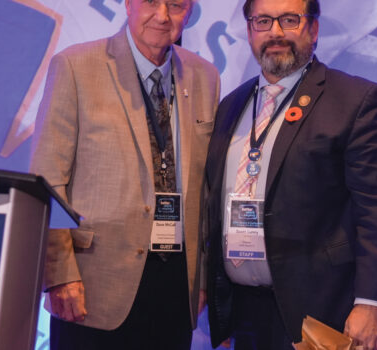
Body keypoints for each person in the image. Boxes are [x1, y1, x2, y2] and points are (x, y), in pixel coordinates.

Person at [204, 0, 377, 349]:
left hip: (324, 315)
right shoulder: (231, 106)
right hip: (245, 312)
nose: (276, 32)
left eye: (289, 20)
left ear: (313, 29)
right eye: (264, 21)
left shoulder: (355, 100)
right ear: (250, 31)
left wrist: (371, 304)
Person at [30, 0, 220, 348]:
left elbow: (207, 188)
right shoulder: (75, 65)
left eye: (176, 5)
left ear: (189, 11)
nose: (162, 16)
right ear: (129, 4)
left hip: (175, 286)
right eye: (150, 1)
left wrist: (202, 276)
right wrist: (58, 276)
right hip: (92, 286)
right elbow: (47, 179)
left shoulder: (205, 76)